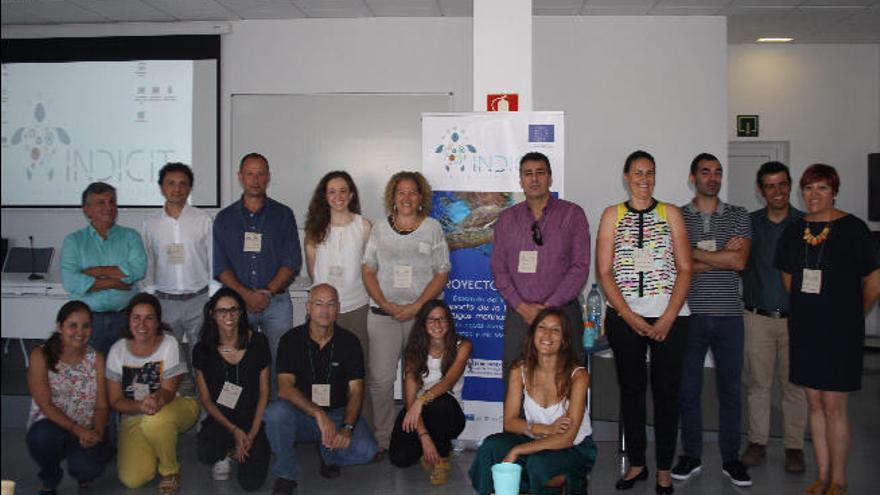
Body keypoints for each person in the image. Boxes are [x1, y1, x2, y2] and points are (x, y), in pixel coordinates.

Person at [775, 164, 880, 495]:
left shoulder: (854, 229)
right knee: (815, 404)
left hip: (841, 333)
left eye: (821, 188)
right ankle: (821, 477)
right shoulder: (793, 231)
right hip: (806, 330)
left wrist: (852, 314)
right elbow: (789, 279)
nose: (813, 195)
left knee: (835, 407)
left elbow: (875, 280)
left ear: (834, 191)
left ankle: (839, 480)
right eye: (807, 188)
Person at [595, 150, 692, 494]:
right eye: (638, 172)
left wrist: (667, 317)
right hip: (625, 316)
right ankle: (637, 463)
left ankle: (665, 468)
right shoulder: (612, 215)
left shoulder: (671, 214)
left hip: (671, 317)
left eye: (650, 173)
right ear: (626, 176)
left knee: (667, 394)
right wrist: (629, 315)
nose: (644, 179)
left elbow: (685, 268)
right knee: (632, 391)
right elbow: (604, 272)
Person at [673, 152, 753, 487]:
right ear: (693, 178)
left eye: (717, 172)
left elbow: (740, 263)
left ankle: (731, 458)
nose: (713, 177)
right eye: (705, 172)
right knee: (688, 389)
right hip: (690, 315)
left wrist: (696, 255)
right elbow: (677, 264)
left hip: (729, 316)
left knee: (731, 390)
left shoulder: (738, 215)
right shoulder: (677, 216)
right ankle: (691, 454)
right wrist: (720, 257)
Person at [362, 171, 451, 455]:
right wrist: (385, 304)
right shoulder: (378, 228)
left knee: (420, 378)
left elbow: (442, 271)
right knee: (381, 380)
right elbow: (368, 269)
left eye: (412, 192)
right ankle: (385, 438)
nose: (407, 197)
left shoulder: (433, 228)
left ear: (421, 196)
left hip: (421, 318)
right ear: (393, 196)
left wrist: (417, 307)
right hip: (383, 314)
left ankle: (418, 435)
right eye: (401, 192)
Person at [264, 284, 379, 495]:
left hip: (337, 414)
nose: (324, 311)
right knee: (275, 414)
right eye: (318, 304)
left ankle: (327, 451)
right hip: (302, 415)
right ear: (308, 307)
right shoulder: (291, 340)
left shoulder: (350, 342)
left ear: (338, 308)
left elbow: (356, 391)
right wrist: (317, 413)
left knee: (367, 451)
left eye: (330, 304)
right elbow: (285, 388)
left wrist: (347, 427)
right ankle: (286, 473)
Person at [469, 308, 597, 495]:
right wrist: (546, 429)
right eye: (542, 328)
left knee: (538, 464)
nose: (547, 335)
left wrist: (518, 450)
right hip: (534, 437)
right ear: (533, 333)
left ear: (564, 339)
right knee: (491, 446)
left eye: (555, 330)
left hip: (572, 448)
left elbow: (566, 438)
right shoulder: (519, 369)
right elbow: (510, 422)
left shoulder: (578, 375)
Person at [490, 152, 590, 382]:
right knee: (516, 377)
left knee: (568, 378)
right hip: (520, 314)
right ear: (521, 181)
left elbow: (580, 267)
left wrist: (548, 308)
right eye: (528, 174)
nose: (534, 179)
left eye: (540, 173)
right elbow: (499, 268)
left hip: (563, 312)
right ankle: (517, 420)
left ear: (550, 179)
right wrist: (523, 307)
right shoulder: (507, 218)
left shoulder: (572, 214)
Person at [740, 161, 807, 473]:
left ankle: (794, 447)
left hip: (798, 320)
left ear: (790, 185)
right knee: (758, 384)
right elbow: (737, 261)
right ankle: (757, 442)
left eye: (782, 184)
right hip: (758, 318)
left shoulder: (806, 224)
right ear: (760, 190)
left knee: (795, 386)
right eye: (770, 186)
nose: (777, 191)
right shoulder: (749, 224)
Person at [105, 293, 200, 494]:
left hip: (176, 404)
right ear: (128, 320)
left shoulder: (169, 343)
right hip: (134, 414)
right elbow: (115, 400)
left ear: (158, 321)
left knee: (155, 421)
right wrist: (140, 406)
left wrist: (154, 400)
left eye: (149, 318)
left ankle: (170, 471)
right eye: (136, 317)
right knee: (133, 479)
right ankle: (158, 442)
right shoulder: (117, 350)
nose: (142, 324)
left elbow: (168, 390)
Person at [213, 152, 302, 363]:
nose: (255, 180)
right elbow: (220, 266)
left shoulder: (283, 215)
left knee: (280, 360)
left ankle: (275, 398)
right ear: (240, 177)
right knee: (242, 362)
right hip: (237, 305)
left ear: (268, 177)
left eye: (260, 174)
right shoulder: (224, 219)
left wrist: (267, 293)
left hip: (277, 303)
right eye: (250, 174)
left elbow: (291, 261)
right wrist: (246, 295)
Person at [26, 301, 111, 495]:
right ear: (59, 327)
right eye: (73, 325)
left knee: (88, 467)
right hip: (50, 425)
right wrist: (78, 430)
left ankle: (83, 474)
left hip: (84, 427)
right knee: (43, 437)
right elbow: (45, 405)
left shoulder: (96, 358)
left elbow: (102, 406)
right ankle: (50, 477)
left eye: (86, 326)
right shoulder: (41, 355)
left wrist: (95, 433)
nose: (79, 332)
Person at [192, 287, 271, 491]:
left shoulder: (258, 342)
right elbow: (206, 400)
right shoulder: (202, 350)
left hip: (252, 418)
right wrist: (235, 431)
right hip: (223, 418)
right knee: (207, 451)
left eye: (234, 310)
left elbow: (264, 392)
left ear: (241, 313)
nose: (228, 316)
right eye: (222, 311)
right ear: (212, 314)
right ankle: (227, 451)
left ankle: (245, 446)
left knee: (250, 483)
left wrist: (251, 434)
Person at [389, 300, 472, 485]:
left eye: (442, 319)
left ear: (449, 322)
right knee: (400, 458)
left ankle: (442, 457)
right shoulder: (413, 351)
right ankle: (429, 447)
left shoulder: (462, 345)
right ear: (423, 324)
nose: (437, 324)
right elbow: (410, 401)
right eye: (431, 319)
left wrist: (421, 401)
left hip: (449, 412)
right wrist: (424, 436)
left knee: (439, 403)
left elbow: (449, 381)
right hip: (419, 411)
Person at [61, 181, 147, 355]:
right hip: (88, 320)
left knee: (125, 370)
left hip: (125, 318)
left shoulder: (130, 236)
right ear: (87, 210)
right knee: (91, 372)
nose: (109, 207)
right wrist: (115, 283)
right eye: (101, 203)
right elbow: (71, 281)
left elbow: (138, 270)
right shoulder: (74, 240)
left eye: (112, 201)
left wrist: (97, 272)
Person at [142, 162, 215, 358]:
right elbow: (149, 261)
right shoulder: (150, 223)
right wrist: (149, 297)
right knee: (166, 359)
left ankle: (200, 390)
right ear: (161, 188)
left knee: (202, 356)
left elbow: (213, 259)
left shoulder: (203, 219)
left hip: (198, 300)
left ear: (190, 188)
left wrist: (212, 297)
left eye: (183, 184)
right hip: (165, 301)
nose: (177, 189)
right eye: (171, 183)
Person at [304, 171, 372, 367]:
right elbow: (312, 270)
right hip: (321, 308)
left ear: (351, 195)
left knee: (358, 363)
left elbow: (371, 268)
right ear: (324, 196)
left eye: (343, 191)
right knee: (321, 364)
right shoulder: (314, 230)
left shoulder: (365, 226)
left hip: (356, 306)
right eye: (332, 192)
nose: (338, 197)